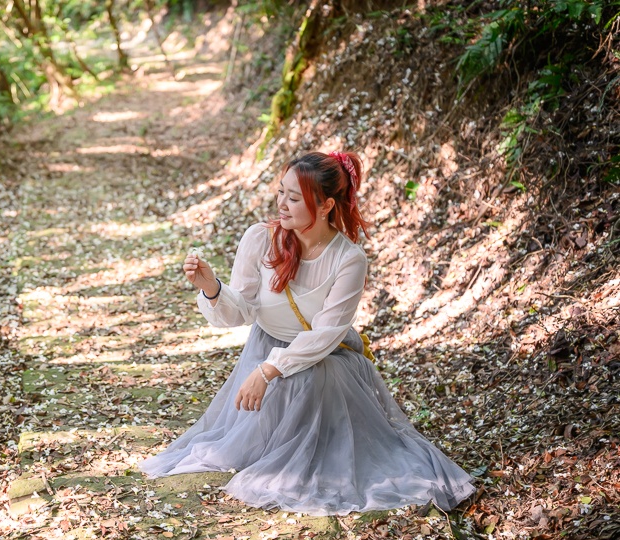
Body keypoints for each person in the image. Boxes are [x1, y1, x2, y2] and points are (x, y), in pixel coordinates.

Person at [139, 151, 476, 515]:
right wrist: (212, 288)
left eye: (294, 198)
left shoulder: (348, 259)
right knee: (239, 447)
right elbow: (244, 311)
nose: (282, 205)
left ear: (327, 204)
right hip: (264, 350)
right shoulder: (260, 238)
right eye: (281, 192)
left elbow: (326, 334)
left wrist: (268, 370)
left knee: (320, 398)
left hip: (323, 361)